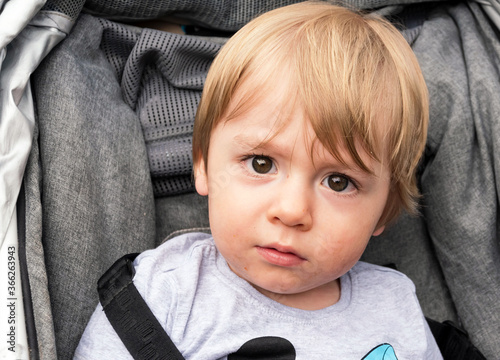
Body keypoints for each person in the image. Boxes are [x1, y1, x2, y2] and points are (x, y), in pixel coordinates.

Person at [74, 1, 442, 358]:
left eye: (338, 182)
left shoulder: (394, 307)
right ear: (202, 164)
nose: (293, 211)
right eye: (262, 164)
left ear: (385, 210)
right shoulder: (164, 293)